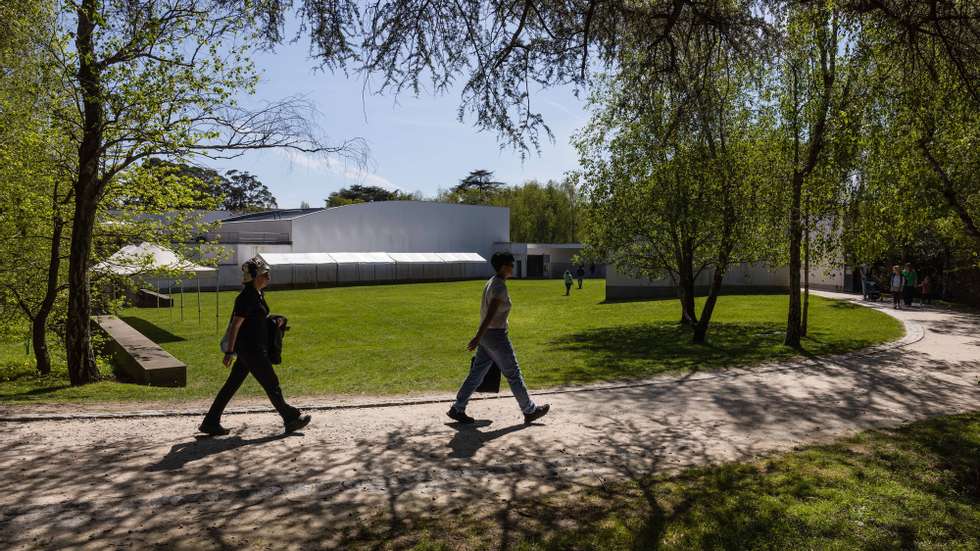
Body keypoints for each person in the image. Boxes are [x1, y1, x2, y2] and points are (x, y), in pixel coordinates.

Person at [199, 257, 311, 436]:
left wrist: (275, 322)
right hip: (252, 351)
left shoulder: (258, 294)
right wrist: (229, 351)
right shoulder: (246, 297)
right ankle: (290, 418)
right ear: (254, 277)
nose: (268, 277)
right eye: (265, 274)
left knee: (231, 386)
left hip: (250, 350)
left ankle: (210, 422)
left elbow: (256, 320)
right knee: (271, 383)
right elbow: (235, 325)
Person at [448, 252, 550, 425]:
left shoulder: (492, 281)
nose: (513, 266)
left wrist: (480, 337)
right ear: (503, 266)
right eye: (511, 263)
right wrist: (477, 336)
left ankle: (457, 408)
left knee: (477, 374)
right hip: (495, 336)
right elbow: (490, 315)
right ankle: (529, 410)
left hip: (488, 336)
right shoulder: (499, 287)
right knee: (513, 373)